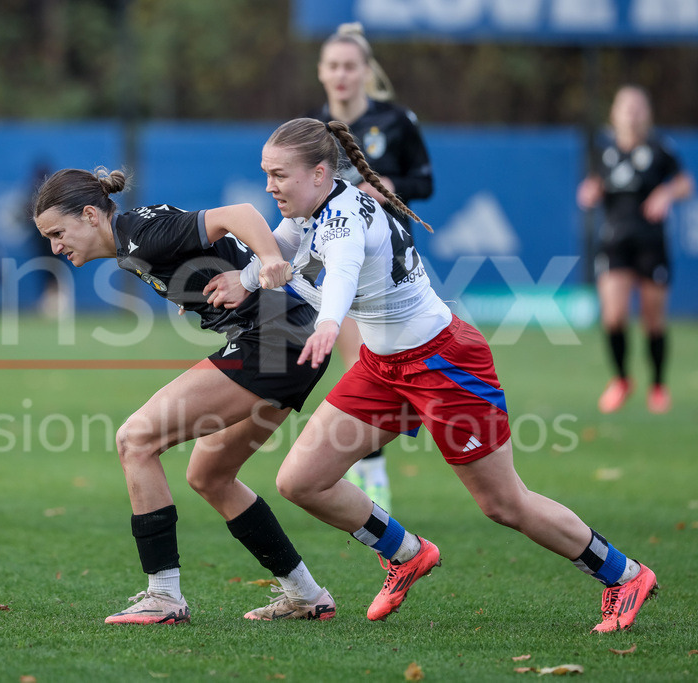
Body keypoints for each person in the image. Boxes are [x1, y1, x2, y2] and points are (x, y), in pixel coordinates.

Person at [221, 117, 657, 633]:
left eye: (278, 174)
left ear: (318, 173)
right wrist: (241, 280)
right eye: (266, 174)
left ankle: (624, 574)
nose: (270, 185)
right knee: (301, 480)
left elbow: (339, 270)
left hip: (443, 364)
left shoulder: (342, 216)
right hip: (383, 367)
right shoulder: (313, 208)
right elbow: (278, 250)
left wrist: (331, 322)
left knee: (503, 503)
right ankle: (406, 554)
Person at [34, 168, 335, 624]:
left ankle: (164, 597)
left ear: (91, 214)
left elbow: (238, 214)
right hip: (286, 340)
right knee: (211, 476)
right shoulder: (135, 238)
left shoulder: (140, 234)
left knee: (136, 439)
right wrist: (192, 289)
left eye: (58, 233)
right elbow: (207, 246)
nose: (55, 247)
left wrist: (270, 262)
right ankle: (306, 594)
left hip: (275, 341)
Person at [308, 22, 435, 508]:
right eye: (333, 66)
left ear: (365, 71)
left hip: (389, 258)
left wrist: (387, 185)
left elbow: (425, 182)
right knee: (359, 360)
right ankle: (373, 473)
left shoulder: (397, 121)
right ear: (322, 72)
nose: (341, 75)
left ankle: (413, 414)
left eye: (349, 66)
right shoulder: (311, 127)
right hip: (338, 258)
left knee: (397, 356)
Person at [576, 85, 693, 414]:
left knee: (653, 320)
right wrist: (590, 192)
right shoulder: (604, 152)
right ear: (614, 113)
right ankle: (622, 379)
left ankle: (658, 383)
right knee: (613, 317)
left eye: (639, 107)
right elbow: (592, 186)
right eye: (626, 107)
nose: (633, 113)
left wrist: (666, 193)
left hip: (651, 244)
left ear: (648, 113)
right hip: (615, 242)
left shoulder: (660, 149)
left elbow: (685, 183)